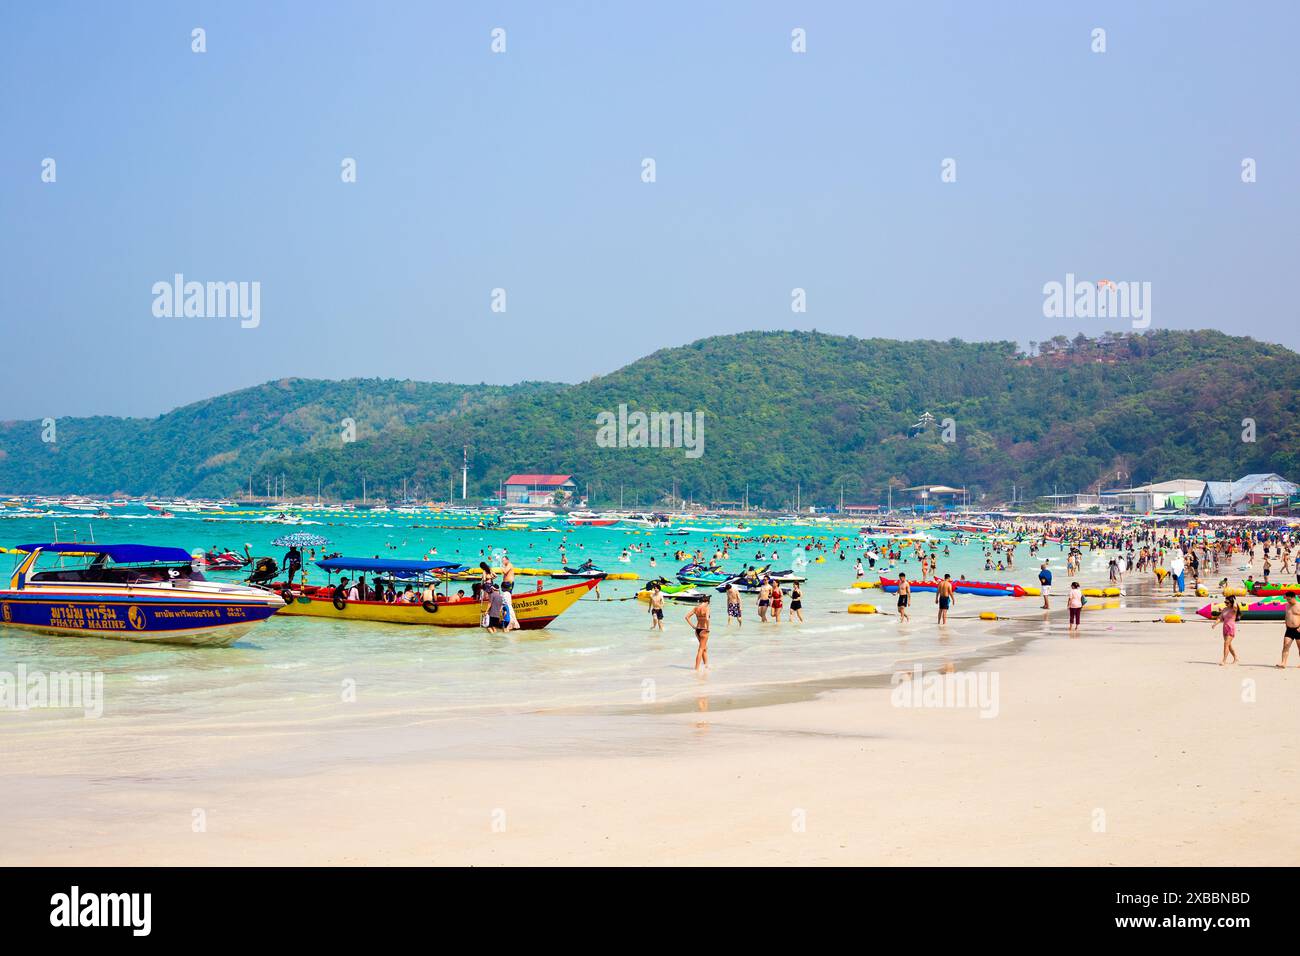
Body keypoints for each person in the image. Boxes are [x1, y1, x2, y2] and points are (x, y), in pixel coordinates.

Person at [685, 596, 711, 671]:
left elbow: (686, 617)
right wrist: (708, 628)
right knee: (701, 649)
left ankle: (706, 665)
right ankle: (697, 668)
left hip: (697, 630)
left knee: (704, 648)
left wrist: (693, 626)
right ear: (707, 602)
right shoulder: (706, 608)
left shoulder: (696, 608)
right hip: (704, 630)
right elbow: (707, 618)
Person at [1213, 595, 1239, 666]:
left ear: (1231, 602)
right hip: (1225, 628)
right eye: (1225, 602)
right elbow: (1220, 618)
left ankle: (1224, 660)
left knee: (1226, 644)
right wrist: (1215, 624)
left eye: (1227, 602)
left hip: (1231, 628)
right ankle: (1236, 657)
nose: (1225, 604)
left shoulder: (1234, 609)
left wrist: (1234, 599)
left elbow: (1235, 605)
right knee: (1229, 645)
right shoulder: (1224, 609)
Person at [1279, 594, 1300, 668]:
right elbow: (1287, 615)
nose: (1288, 601)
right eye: (1287, 599)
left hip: (1298, 629)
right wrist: (1286, 624)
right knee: (1285, 646)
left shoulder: (1299, 605)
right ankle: (1283, 663)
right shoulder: (1287, 605)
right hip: (1289, 630)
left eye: (1289, 599)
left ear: (1294, 598)